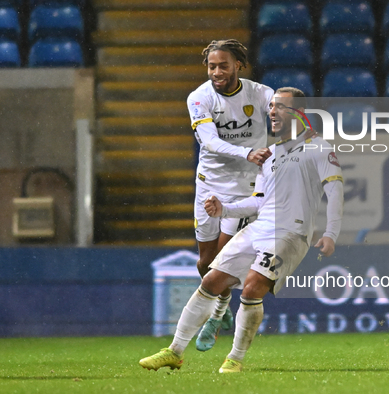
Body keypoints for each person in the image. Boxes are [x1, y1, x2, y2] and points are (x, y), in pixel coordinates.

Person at [139, 87, 344, 373]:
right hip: (261, 227)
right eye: (271, 106)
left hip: (290, 234)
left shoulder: (319, 148)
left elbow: (335, 191)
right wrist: (224, 209)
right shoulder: (269, 154)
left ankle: (234, 359)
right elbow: (257, 203)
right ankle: (174, 351)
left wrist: (331, 233)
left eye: (280, 107)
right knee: (211, 281)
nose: (272, 111)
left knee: (252, 288)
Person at [187, 39, 274, 350]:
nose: (217, 72)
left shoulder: (261, 94)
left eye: (223, 65)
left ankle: (216, 317)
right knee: (205, 263)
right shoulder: (199, 98)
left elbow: (288, 116)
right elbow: (209, 142)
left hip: (244, 189)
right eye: (212, 66)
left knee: (222, 262)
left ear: (239, 64)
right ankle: (221, 309)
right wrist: (247, 151)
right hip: (209, 183)